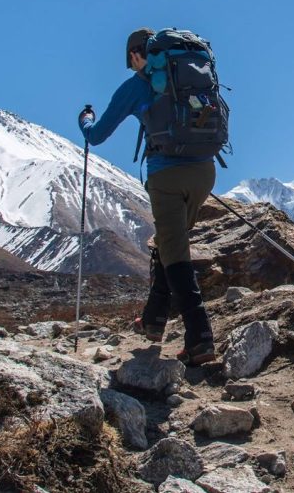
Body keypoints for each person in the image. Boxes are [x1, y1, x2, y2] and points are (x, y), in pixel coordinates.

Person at [79, 27, 217, 366]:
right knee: (169, 243)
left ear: (135, 55)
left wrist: (85, 121)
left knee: (176, 257)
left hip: (167, 176)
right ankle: (154, 320)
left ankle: (200, 339)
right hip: (204, 170)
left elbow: (96, 136)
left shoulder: (137, 85)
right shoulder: (189, 75)